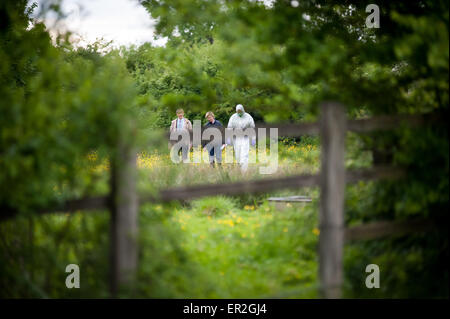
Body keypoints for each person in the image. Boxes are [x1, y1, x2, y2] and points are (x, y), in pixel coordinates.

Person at [227, 104, 255, 172]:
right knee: (238, 155)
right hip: (236, 139)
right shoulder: (233, 117)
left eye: (240, 111)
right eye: (238, 112)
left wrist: (253, 139)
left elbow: (252, 128)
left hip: (245, 138)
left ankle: (244, 171)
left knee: (244, 155)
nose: (239, 113)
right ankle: (240, 168)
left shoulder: (248, 117)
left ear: (243, 110)